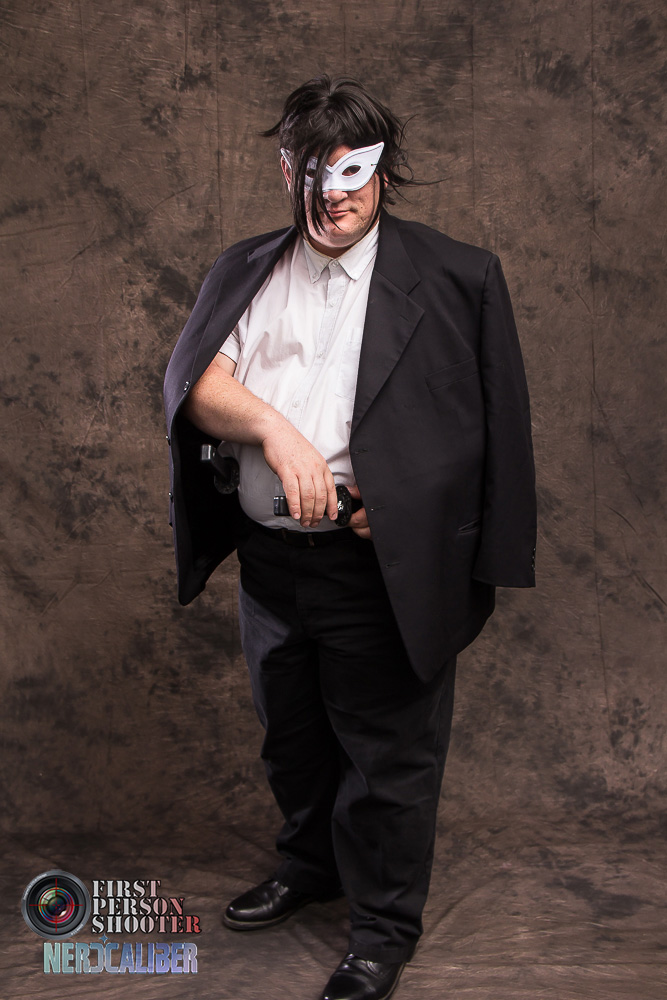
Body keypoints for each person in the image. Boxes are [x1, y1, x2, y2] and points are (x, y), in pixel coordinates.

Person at [164, 75, 536, 1000]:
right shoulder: (246, 269)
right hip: (270, 564)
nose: (331, 196)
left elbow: (493, 430)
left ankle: (380, 930)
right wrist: (275, 431)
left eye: (352, 174)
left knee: (386, 761)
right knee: (290, 737)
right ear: (285, 169)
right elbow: (194, 383)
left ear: (383, 173)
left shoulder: (457, 276)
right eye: (312, 173)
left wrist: (414, 513)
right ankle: (311, 866)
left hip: (380, 568)